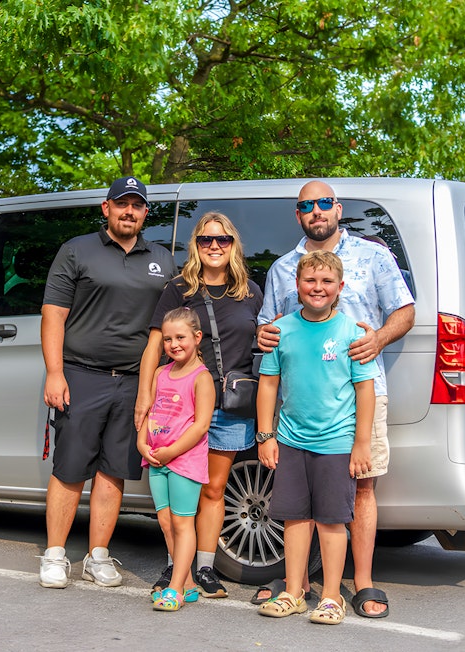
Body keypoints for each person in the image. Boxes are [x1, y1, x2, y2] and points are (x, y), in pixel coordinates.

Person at [255, 179, 415, 618]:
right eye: (307, 205)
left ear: (338, 209)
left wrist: (377, 340)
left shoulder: (374, 255)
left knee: (360, 486)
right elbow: (269, 328)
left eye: (324, 203)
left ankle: (359, 584)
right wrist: (262, 333)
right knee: (299, 501)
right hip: (300, 407)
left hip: (361, 395)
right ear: (299, 214)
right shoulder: (284, 267)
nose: (316, 211)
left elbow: (405, 310)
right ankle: (298, 583)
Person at [39, 175, 175, 589]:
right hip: (81, 375)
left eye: (136, 205)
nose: (129, 211)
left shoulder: (163, 260)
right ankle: (55, 555)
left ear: (145, 212)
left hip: (135, 383)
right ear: (107, 208)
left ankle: (98, 556)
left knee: (113, 472)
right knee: (70, 469)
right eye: (122, 204)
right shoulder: (77, 250)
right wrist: (55, 372)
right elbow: (53, 315)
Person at [136, 212, 263, 599]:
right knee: (175, 497)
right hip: (179, 407)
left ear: (233, 245)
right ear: (196, 244)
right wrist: (144, 397)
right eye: (206, 239)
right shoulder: (179, 289)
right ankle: (178, 568)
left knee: (212, 489)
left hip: (229, 404)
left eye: (222, 240)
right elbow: (155, 345)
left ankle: (204, 569)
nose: (214, 246)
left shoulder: (250, 292)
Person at [255, 251, 378, 625]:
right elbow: (269, 383)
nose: (317, 288)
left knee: (330, 521)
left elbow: (365, 390)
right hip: (291, 439)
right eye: (310, 280)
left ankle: (330, 596)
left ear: (340, 288)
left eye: (326, 282)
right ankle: (293, 591)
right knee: (293, 518)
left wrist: (360, 443)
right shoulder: (282, 330)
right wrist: (266, 434)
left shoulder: (352, 334)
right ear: (297, 285)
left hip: (337, 443)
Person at [138, 308, 216, 611]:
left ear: (197, 338)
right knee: (165, 521)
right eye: (168, 339)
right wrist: (141, 441)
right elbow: (152, 412)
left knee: (183, 524)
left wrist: (172, 451)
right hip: (157, 459)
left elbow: (201, 425)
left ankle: (175, 588)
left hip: (184, 461)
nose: (174, 344)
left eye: (180, 337)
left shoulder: (202, 378)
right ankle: (188, 585)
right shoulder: (161, 373)